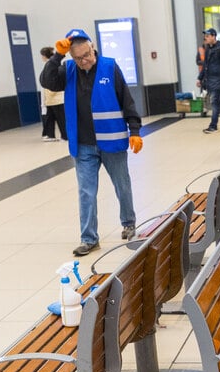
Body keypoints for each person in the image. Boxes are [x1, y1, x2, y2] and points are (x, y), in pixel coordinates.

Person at [40, 28, 143, 256]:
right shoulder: (68, 70)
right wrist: (57, 56)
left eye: (86, 54)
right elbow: (47, 81)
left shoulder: (109, 66)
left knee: (122, 184)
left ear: (92, 47)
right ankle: (89, 239)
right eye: (78, 57)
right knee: (86, 192)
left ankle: (128, 223)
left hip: (112, 141)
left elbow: (126, 100)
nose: (84, 60)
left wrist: (134, 129)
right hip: (83, 144)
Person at [198, 27, 220, 134]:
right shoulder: (208, 49)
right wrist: (200, 78)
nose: (206, 38)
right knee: (219, 102)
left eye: (208, 36)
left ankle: (213, 126)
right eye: (205, 36)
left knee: (214, 102)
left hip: (218, 80)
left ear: (214, 36)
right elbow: (205, 65)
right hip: (211, 80)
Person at [39, 47, 66, 141]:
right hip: (51, 99)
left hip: (56, 98)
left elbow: (50, 83)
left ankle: (64, 136)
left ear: (44, 56)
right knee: (52, 118)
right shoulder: (51, 65)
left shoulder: (51, 66)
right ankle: (51, 135)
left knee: (61, 119)